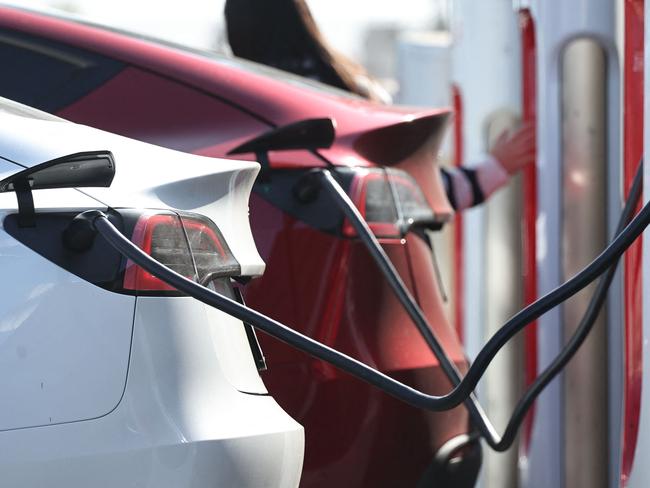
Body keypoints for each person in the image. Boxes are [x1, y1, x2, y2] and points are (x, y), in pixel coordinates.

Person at [224, 0, 536, 210]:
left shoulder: (228, 117)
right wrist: (493, 168)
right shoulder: (348, 95)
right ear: (301, 21)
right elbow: (417, 191)